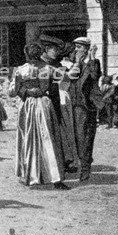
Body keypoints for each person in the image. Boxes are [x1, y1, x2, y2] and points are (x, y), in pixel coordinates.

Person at [14, 43, 69, 190]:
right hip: (45, 104)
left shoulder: (21, 70)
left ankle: (28, 176)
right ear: (39, 53)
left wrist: (28, 92)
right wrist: (57, 111)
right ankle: (56, 179)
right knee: (48, 139)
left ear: (27, 54)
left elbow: (16, 89)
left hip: (29, 105)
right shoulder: (49, 69)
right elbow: (54, 91)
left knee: (29, 139)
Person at [40, 35, 79, 173]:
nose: (57, 52)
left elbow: (67, 78)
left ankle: (65, 160)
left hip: (59, 101)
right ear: (46, 49)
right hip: (45, 102)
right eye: (54, 49)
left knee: (62, 131)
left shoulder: (57, 64)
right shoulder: (39, 65)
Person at [67, 37, 101, 182]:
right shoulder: (75, 63)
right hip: (73, 105)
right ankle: (81, 163)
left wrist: (93, 58)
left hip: (86, 106)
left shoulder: (93, 63)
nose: (76, 50)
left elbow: (95, 76)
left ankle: (85, 168)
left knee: (84, 138)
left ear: (86, 49)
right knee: (76, 137)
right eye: (75, 47)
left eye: (79, 47)